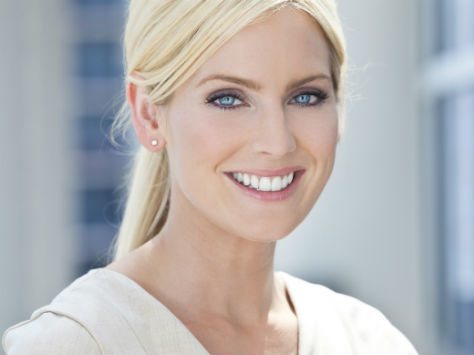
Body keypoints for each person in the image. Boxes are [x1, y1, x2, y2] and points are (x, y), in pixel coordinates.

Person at [2, 0, 418, 354]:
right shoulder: (72, 344)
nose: (277, 141)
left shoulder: (368, 340)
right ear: (148, 114)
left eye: (306, 96)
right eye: (228, 98)